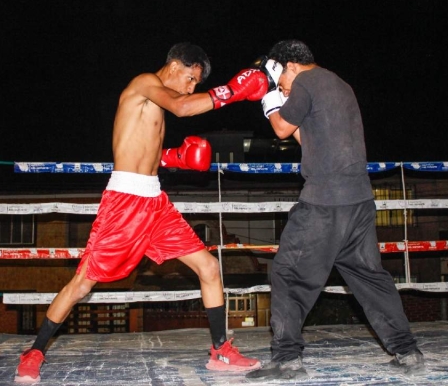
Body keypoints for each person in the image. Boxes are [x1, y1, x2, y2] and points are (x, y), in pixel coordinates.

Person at [14, 42, 274, 383]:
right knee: (82, 284)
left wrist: (173, 158)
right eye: (191, 79)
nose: (191, 87)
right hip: (124, 203)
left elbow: (142, 149)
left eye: (196, 83)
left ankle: (220, 350)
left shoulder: (155, 103)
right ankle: (34, 351)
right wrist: (232, 92)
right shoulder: (144, 84)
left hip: (156, 204)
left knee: (209, 267)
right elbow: (183, 108)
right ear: (177, 65)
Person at [246, 40, 425, 381]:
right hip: (358, 202)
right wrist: (279, 100)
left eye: (280, 80)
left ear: (289, 65)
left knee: (288, 273)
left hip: (325, 202)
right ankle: (407, 351)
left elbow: (282, 128)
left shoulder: (305, 81)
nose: (283, 89)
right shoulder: (338, 84)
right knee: (369, 278)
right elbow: (306, 137)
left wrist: (269, 98)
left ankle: (286, 360)